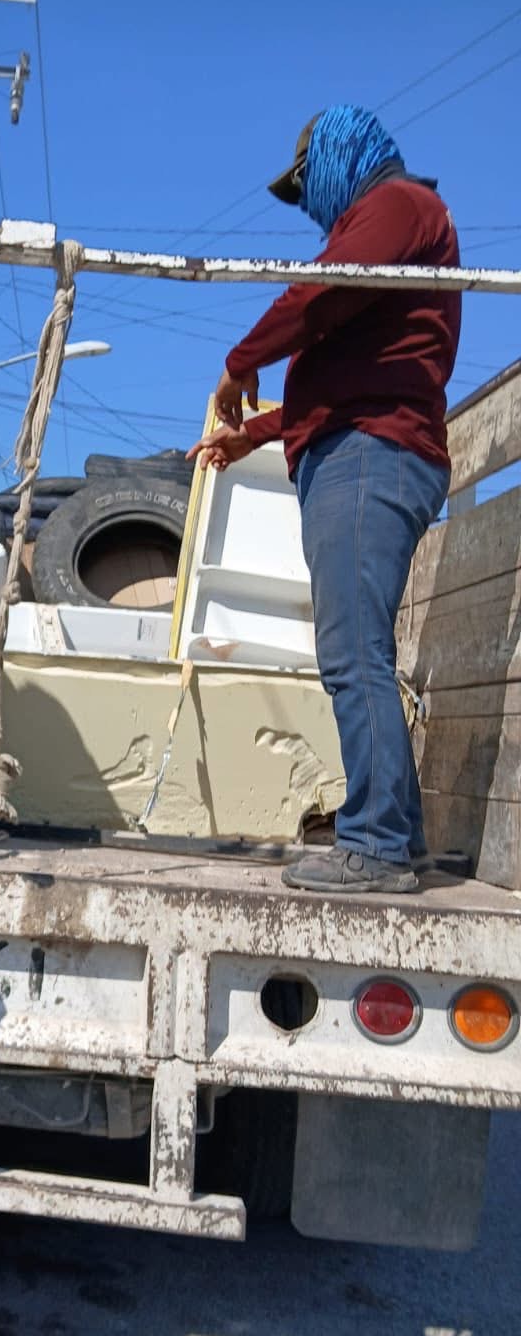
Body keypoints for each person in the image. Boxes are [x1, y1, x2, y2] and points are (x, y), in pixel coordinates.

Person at [187, 105, 460, 895]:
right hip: (363, 448)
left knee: (353, 654)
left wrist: (241, 362)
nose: (308, 203)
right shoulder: (398, 220)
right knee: (358, 649)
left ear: (341, 155)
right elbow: (350, 378)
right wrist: (258, 432)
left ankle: (377, 846)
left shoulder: (397, 205)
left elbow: (318, 294)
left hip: (370, 456)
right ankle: (392, 829)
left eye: (306, 184)